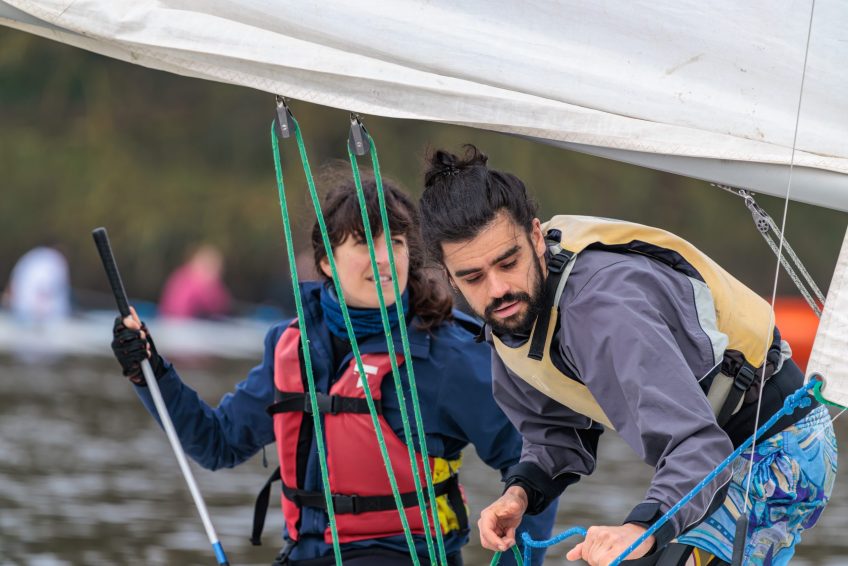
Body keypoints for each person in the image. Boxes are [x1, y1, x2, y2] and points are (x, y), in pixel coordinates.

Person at [417, 146, 837, 566]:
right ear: (448, 275)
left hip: (781, 446)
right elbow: (556, 435)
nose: (496, 289)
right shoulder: (510, 321)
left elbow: (697, 444)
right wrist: (519, 493)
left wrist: (639, 529)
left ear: (535, 237)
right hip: (711, 459)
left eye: (507, 263)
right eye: (472, 277)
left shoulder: (605, 311)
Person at [110, 171, 557, 565]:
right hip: (305, 553)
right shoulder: (292, 347)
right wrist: (148, 371)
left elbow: (533, 462)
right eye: (365, 243)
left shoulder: (448, 354)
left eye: (395, 243)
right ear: (326, 260)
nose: (383, 258)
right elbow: (217, 444)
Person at [158, 244, 232, 319]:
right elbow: (180, 311)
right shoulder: (185, 283)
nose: (215, 275)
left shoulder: (216, 287)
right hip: (178, 322)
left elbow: (223, 306)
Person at [3, 245, 71, 325]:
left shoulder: (33, 258)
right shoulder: (54, 261)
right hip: (41, 318)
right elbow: (45, 288)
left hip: (24, 314)